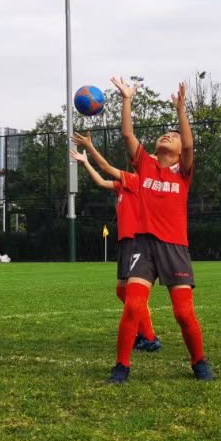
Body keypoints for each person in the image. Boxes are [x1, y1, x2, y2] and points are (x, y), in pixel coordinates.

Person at [106, 77, 213, 384]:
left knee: (183, 313)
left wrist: (181, 109)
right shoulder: (146, 166)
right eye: (165, 134)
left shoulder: (183, 173)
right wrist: (127, 99)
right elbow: (127, 134)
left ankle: (199, 362)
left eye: (173, 136)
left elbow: (190, 143)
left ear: (180, 152)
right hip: (144, 247)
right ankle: (121, 366)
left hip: (175, 248)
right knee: (133, 305)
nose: (168, 136)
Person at [71, 136, 160, 352]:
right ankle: (146, 333)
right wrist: (85, 163)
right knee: (122, 292)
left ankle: (148, 337)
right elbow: (102, 181)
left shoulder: (138, 181)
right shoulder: (126, 185)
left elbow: (107, 168)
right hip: (126, 241)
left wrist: (90, 147)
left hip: (135, 240)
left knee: (130, 294)